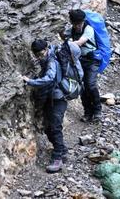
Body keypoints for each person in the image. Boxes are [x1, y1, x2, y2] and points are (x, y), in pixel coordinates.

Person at [22, 39, 82, 173]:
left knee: (55, 126)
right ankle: (62, 150)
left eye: (41, 53)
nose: (39, 56)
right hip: (51, 97)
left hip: (59, 98)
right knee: (48, 127)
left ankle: (57, 159)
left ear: (46, 49)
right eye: (36, 54)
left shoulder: (52, 61)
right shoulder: (47, 58)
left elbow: (49, 78)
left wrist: (30, 81)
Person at [64, 9, 102, 123]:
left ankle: (97, 111)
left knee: (90, 84)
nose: (77, 26)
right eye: (75, 24)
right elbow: (64, 36)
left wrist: (66, 44)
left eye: (79, 24)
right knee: (82, 87)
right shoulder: (72, 30)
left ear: (83, 21)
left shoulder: (88, 29)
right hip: (79, 61)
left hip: (92, 60)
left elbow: (80, 42)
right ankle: (87, 112)